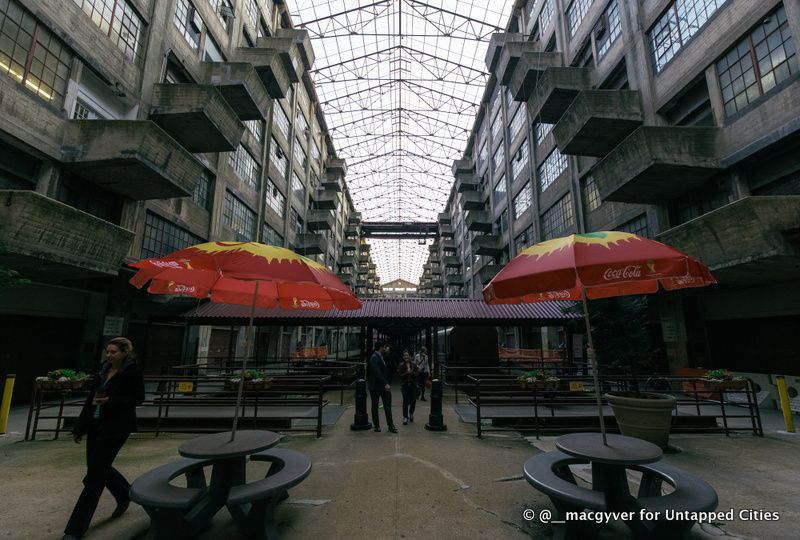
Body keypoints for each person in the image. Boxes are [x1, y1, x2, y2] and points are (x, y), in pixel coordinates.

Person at [62, 337, 145, 540]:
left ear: (125, 352)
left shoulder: (132, 372)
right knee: (96, 467)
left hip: (117, 427)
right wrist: (80, 428)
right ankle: (124, 491)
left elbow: (138, 398)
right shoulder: (102, 370)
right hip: (97, 424)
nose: (109, 355)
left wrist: (111, 400)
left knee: (95, 477)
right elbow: (91, 400)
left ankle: (74, 530)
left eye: (114, 352)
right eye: (108, 351)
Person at [366, 341, 397, 433]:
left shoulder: (380, 356)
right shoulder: (374, 357)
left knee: (386, 405)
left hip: (381, 386)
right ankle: (377, 426)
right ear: (380, 348)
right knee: (376, 406)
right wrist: (385, 383)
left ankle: (390, 425)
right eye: (384, 347)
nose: (385, 349)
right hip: (375, 386)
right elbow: (377, 372)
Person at [397, 349, 419, 425]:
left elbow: (417, 374)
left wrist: (412, 372)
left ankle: (411, 413)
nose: (406, 356)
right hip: (405, 385)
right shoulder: (401, 365)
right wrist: (407, 372)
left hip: (413, 385)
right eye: (404, 355)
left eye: (407, 355)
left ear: (410, 356)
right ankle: (405, 417)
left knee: (413, 401)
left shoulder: (414, 364)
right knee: (405, 401)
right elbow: (400, 376)